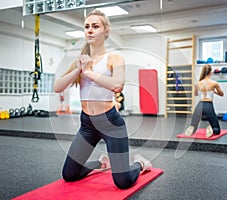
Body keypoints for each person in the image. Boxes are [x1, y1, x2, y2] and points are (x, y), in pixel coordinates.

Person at [53, 9, 152, 189]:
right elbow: (57, 87)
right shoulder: (81, 61)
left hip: (110, 124)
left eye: (95, 26)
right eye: (87, 26)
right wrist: (78, 69)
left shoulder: (114, 57)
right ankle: (101, 163)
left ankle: (140, 164)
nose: (89, 30)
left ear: (106, 31)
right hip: (87, 125)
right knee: (69, 174)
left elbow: (117, 85)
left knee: (123, 182)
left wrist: (89, 72)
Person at [184, 64, 224, 138]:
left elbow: (195, 94)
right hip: (208, 105)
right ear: (210, 72)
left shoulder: (198, 83)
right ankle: (211, 128)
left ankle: (192, 127)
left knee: (194, 124)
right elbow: (222, 94)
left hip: (200, 105)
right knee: (217, 130)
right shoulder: (214, 83)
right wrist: (214, 91)